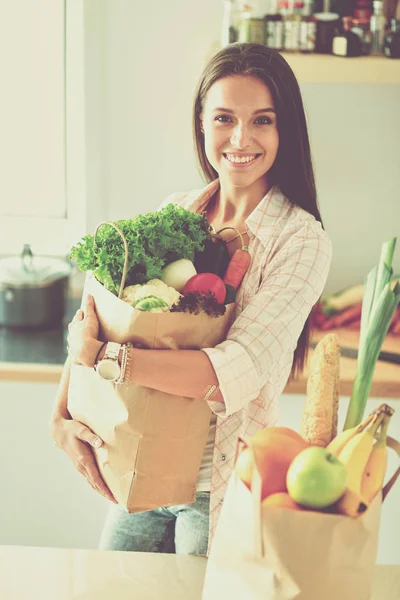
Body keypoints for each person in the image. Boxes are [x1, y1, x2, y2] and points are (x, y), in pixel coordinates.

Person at [50, 43, 332, 557]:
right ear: (202, 125)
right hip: (136, 466)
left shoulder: (301, 240)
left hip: (217, 487)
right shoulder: (176, 210)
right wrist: (59, 416)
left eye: (262, 120)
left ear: (284, 130)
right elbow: (96, 319)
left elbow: (234, 370)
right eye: (224, 118)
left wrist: (107, 360)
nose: (241, 139)